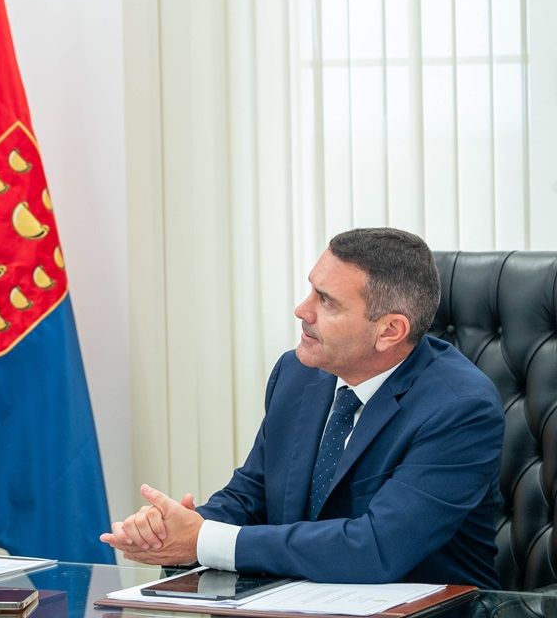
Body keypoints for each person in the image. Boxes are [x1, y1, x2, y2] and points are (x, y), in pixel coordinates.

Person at [102, 228, 503, 587]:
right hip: (299, 598)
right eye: (311, 289)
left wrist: (204, 541)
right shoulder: (297, 373)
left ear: (390, 331)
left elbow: (376, 549)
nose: (302, 310)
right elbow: (252, 495)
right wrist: (177, 528)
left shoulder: (460, 408)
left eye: (326, 301)